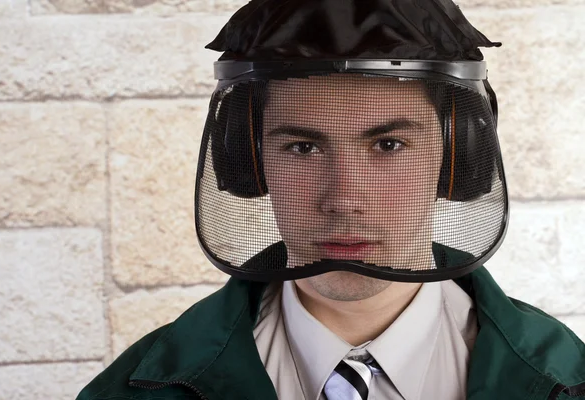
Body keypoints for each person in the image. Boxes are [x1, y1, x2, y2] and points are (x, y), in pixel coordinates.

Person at [76, 0, 585, 399]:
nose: (342, 199)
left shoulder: (567, 381)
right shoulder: (135, 391)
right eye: (302, 147)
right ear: (247, 163)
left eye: (389, 145)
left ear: (458, 160)